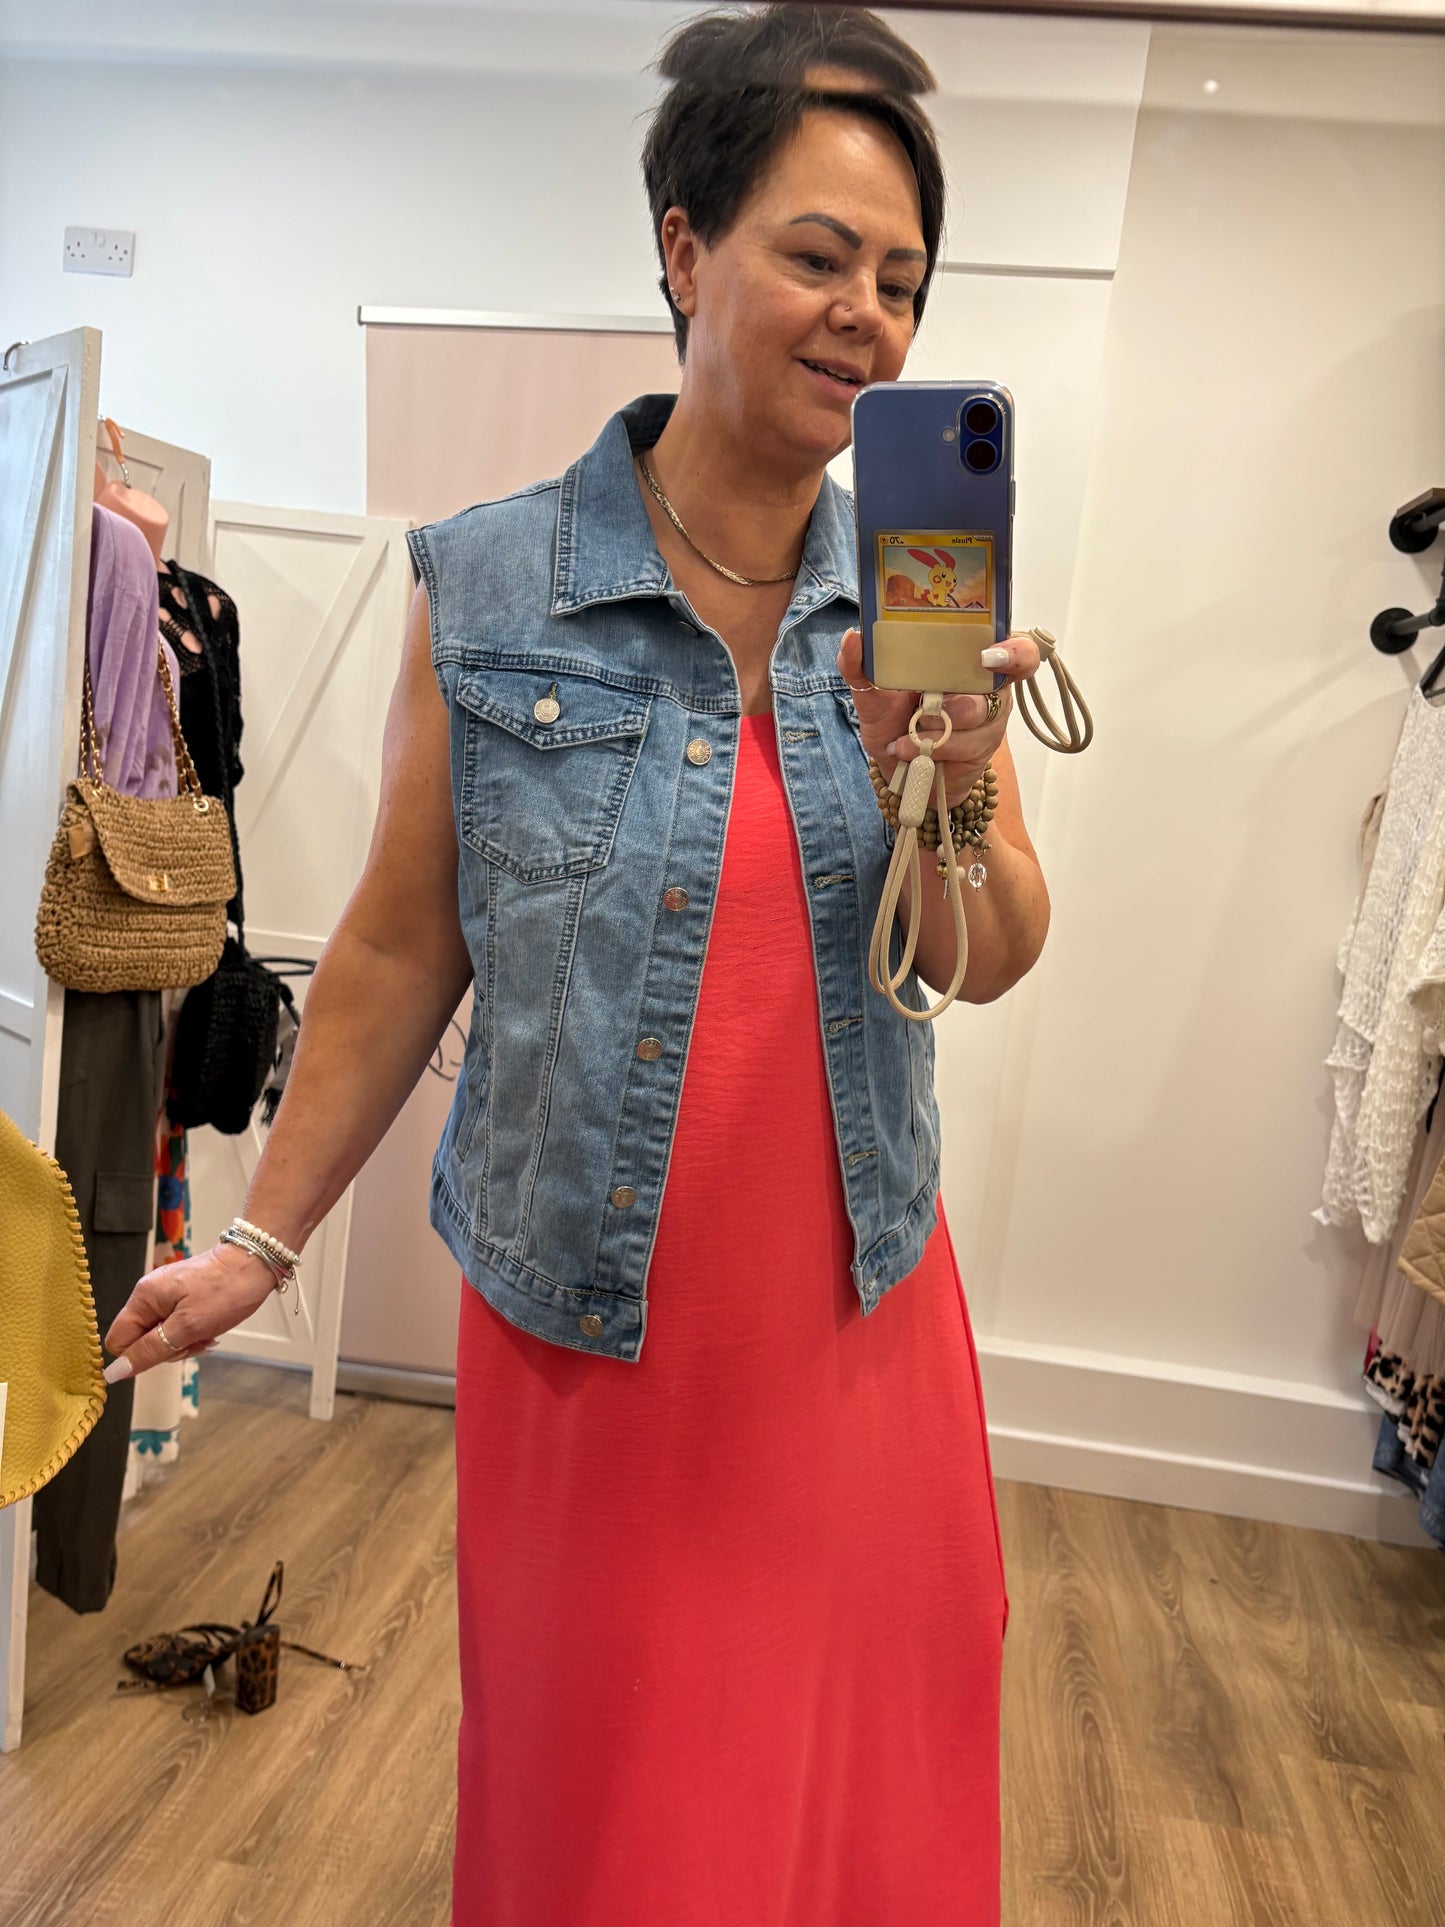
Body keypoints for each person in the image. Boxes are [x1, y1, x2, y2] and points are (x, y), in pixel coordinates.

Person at [104, 7, 1049, 1921]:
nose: (866, 316)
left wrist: (946, 784)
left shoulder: (919, 595)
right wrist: (259, 1242)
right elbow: (397, 944)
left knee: (859, 1806)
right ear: (684, 249)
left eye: (901, 280)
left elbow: (991, 948)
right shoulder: (489, 583)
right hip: (590, 1344)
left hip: (857, 1322)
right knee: (621, 1820)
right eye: (817, 255)